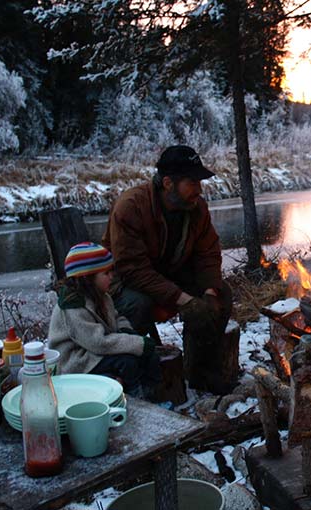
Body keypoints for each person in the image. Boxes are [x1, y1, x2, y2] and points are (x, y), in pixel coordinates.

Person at [102, 145, 236, 394]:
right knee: (137, 305)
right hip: (125, 283)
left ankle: (201, 373)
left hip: (169, 276)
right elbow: (132, 269)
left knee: (221, 296)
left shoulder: (197, 208)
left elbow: (207, 253)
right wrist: (182, 299)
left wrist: (208, 292)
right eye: (192, 182)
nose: (199, 189)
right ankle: (145, 380)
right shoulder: (131, 207)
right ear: (167, 183)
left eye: (200, 182)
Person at [48, 242, 161, 399]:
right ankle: (137, 398)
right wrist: (135, 343)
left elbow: (116, 317)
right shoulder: (73, 306)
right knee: (127, 362)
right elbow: (98, 342)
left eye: (111, 271)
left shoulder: (102, 296)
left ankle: (153, 393)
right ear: (87, 277)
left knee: (149, 356)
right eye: (106, 273)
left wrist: (125, 331)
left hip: (92, 350)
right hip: (76, 359)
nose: (111, 276)